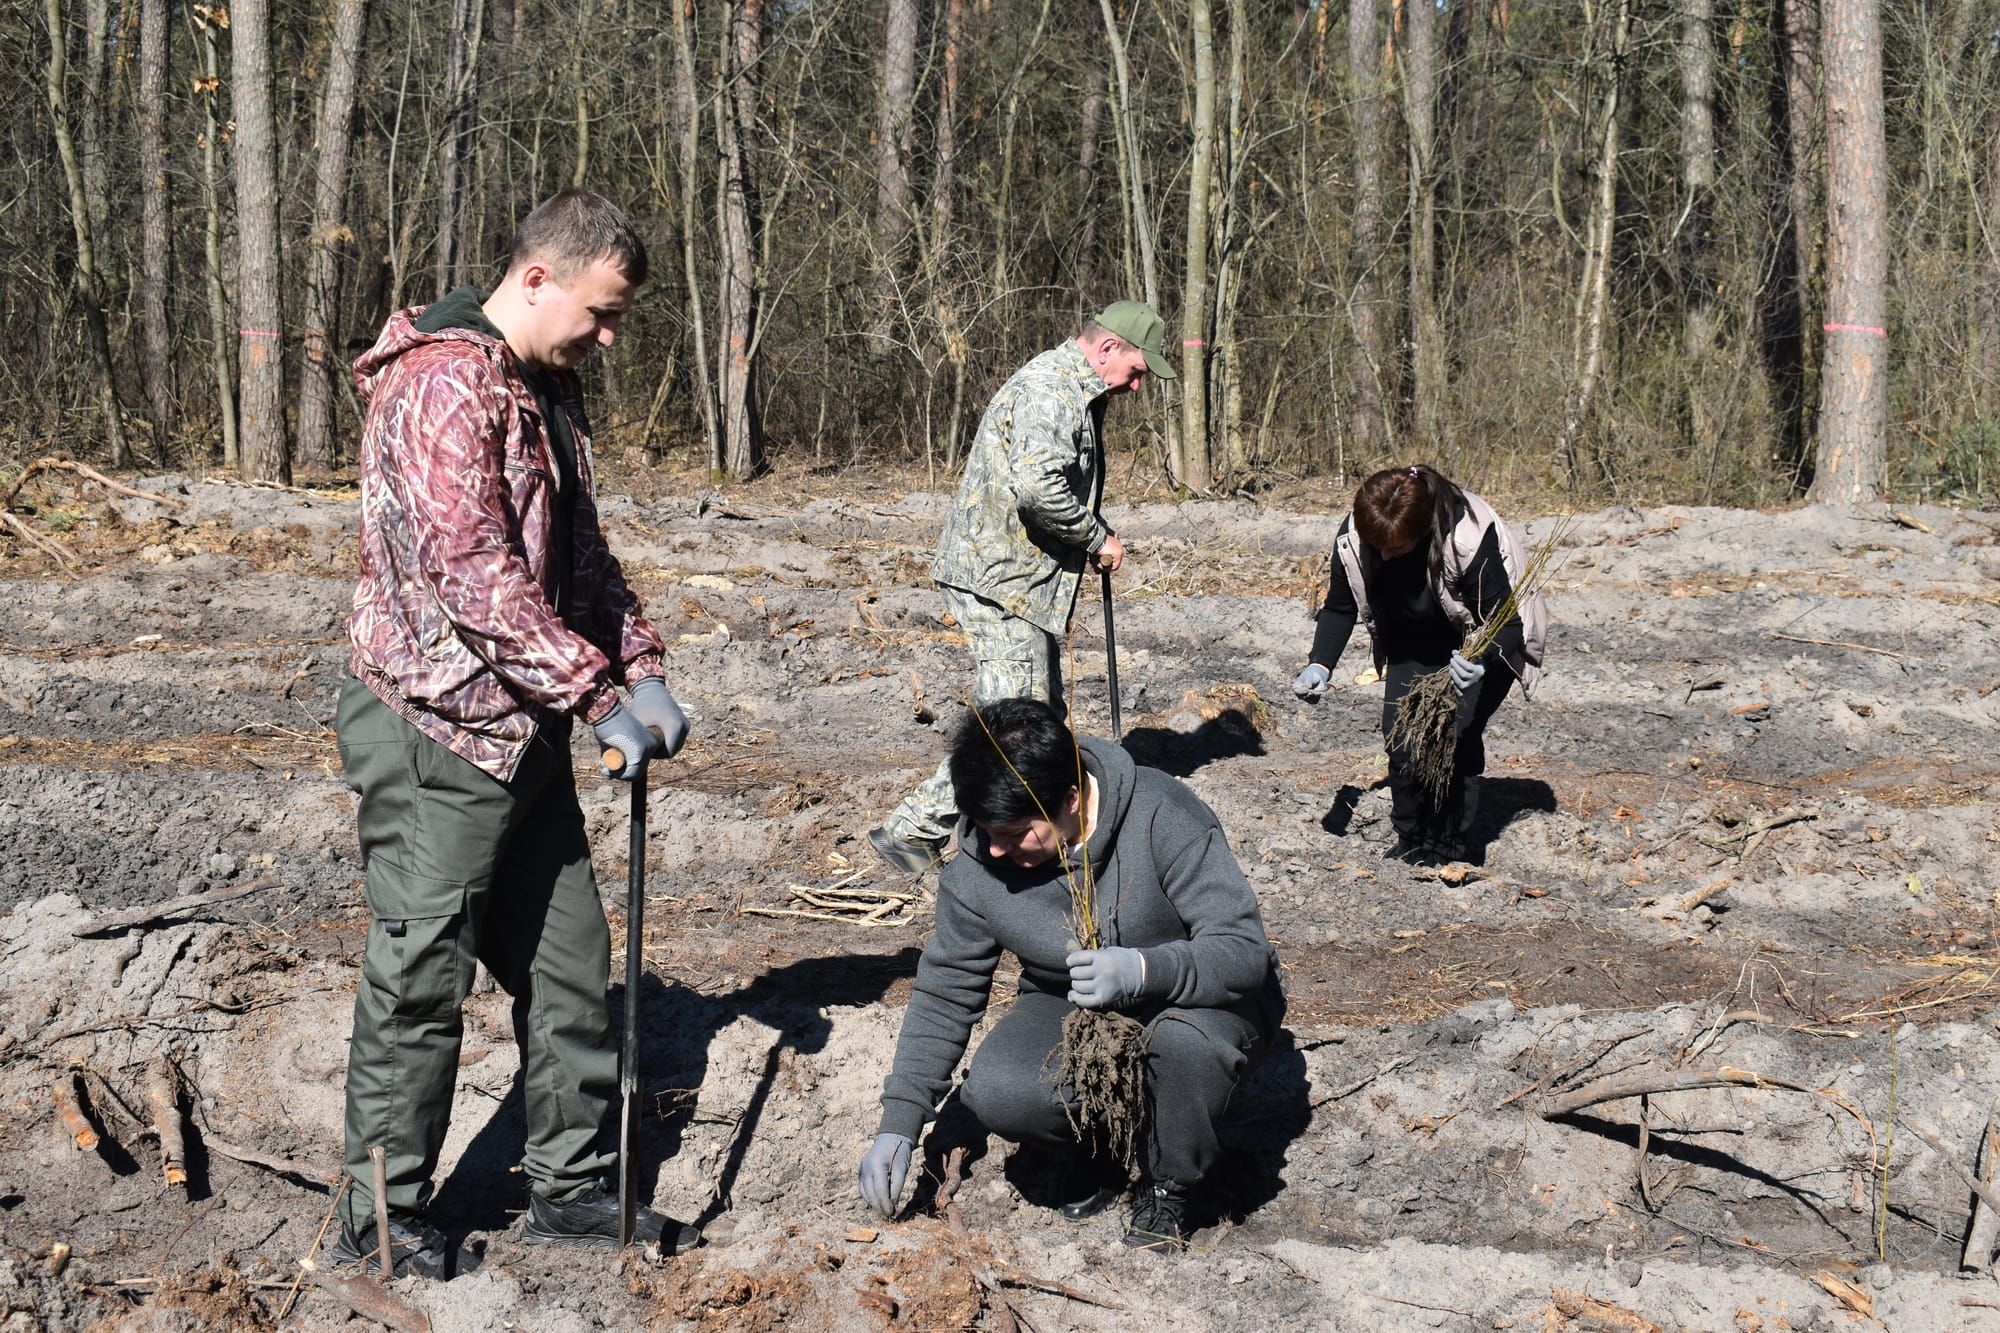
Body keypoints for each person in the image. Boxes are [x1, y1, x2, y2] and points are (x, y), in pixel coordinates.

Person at [330, 189, 699, 1276]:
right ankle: (382, 1215)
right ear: (535, 278)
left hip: (524, 722)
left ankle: (572, 1187)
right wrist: (596, 695)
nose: (609, 335)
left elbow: (577, 553)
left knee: (571, 963)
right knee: (422, 972)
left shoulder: (543, 388)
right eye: (600, 311)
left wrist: (641, 663)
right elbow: (472, 577)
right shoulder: (445, 385)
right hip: (435, 720)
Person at [856, 697, 1283, 1253]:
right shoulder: (979, 863)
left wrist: (1146, 969)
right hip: (1073, 1002)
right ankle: (1103, 1138)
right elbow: (946, 989)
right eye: (985, 829)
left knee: (1182, 1048)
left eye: (1014, 832)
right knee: (1001, 1090)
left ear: (1072, 800)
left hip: (1203, 999)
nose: (993, 847)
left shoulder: (1162, 814)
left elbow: (1244, 952)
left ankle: (1171, 1180)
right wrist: (899, 1122)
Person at [866, 302, 1178, 873]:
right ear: (1108, 348)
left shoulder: (1068, 388)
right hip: (1001, 577)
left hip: (1013, 577)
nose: (1136, 386)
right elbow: (1038, 489)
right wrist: (1094, 536)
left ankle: (975, 822)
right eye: (1136, 370)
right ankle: (916, 830)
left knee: (1033, 711)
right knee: (1018, 722)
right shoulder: (1051, 391)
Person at [1290, 464, 1545, 866]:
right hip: (1412, 636)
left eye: (1396, 547)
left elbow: (1508, 623)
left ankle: (1450, 847)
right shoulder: (1359, 537)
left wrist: (1483, 662)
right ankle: (1411, 837)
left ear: (1424, 531)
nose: (1385, 555)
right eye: (1378, 547)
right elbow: (1339, 607)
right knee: (1401, 738)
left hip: (1477, 639)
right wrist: (1320, 665)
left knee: (1456, 734)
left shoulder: (1466, 539)